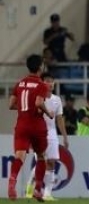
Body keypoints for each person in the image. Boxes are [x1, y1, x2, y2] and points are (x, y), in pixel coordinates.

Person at [7, 54, 54, 201]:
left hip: (21, 124)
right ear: (40, 67)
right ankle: (38, 189)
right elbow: (39, 103)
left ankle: (12, 181)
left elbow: (10, 105)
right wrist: (49, 113)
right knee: (41, 157)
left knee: (20, 156)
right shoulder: (41, 84)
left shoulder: (20, 83)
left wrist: (24, 108)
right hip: (37, 125)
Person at [25, 72, 69, 201]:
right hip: (38, 133)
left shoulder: (57, 99)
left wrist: (65, 137)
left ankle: (47, 193)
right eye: (47, 81)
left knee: (51, 162)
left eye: (52, 81)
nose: (50, 83)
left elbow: (60, 119)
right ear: (42, 83)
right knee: (41, 161)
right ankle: (30, 187)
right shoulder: (37, 98)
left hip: (52, 133)